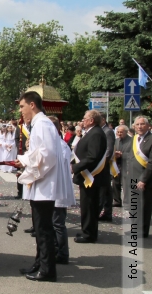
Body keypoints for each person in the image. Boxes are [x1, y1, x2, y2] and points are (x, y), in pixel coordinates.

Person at [15, 91, 66, 282]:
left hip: (44, 185)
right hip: (40, 183)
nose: (21, 111)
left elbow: (48, 155)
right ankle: (40, 263)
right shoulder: (38, 124)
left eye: (22, 106)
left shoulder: (42, 124)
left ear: (32, 105)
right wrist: (26, 160)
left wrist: (25, 162)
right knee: (40, 228)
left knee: (44, 229)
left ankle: (47, 270)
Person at [71, 110, 109, 243]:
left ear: (91, 120)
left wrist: (75, 167)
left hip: (92, 177)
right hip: (87, 176)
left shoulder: (96, 134)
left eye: (84, 118)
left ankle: (89, 234)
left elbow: (93, 156)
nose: (82, 120)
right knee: (87, 206)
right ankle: (86, 230)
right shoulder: (92, 132)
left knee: (90, 206)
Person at [48, 116, 76, 265]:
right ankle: (56, 250)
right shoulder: (59, 144)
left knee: (58, 224)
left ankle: (62, 254)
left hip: (57, 189)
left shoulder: (59, 145)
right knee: (54, 223)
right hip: (55, 188)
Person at [125, 116, 152, 238]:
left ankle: (142, 231)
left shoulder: (151, 139)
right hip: (132, 176)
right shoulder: (134, 139)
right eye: (137, 125)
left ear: (147, 126)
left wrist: (143, 179)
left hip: (145, 179)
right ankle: (135, 228)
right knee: (134, 204)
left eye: (142, 124)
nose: (140, 127)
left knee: (143, 206)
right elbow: (131, 157)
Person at [98, 113, 116, 222]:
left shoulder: (107, 131)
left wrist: (102, 164)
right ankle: (107, 212)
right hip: (102, 165)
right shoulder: (101, 130)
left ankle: (104, 212)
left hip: (103, 166)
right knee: (107, 190)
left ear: (103, 120)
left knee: (103, 190)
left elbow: (109, 150)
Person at [112, 125, 132, 207]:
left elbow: (133, 154)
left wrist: (122, 155)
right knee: (115, 183)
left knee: (126, 184)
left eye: (121, 132)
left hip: (127, 165)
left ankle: (127, 202)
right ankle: (117, 201)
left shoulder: (131, 141)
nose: (119, 134)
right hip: (117, 164)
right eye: (118, 132)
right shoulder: (116, 140)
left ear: (126, 132)